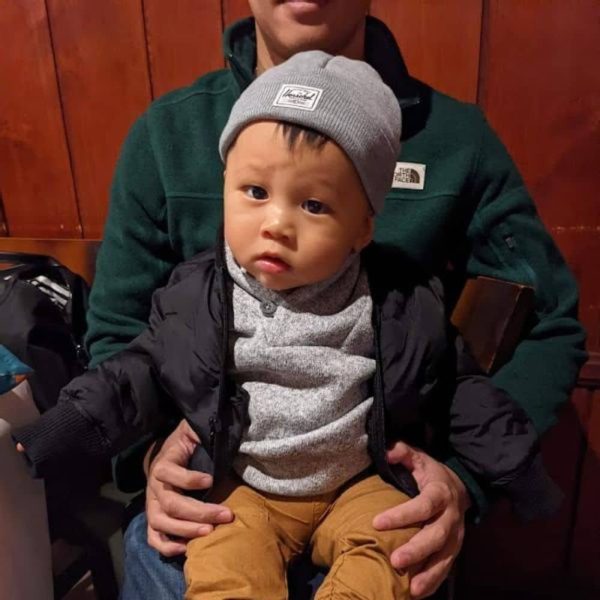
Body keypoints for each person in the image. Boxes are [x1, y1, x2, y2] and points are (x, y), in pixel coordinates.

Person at [82, 1, 586, 598]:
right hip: (213, 495)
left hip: (379, 500)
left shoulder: (459, 141)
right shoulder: (168, 135)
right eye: (253, 191)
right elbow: (120, 333)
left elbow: (549, 321)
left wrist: (464, 481)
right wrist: (152, 460)